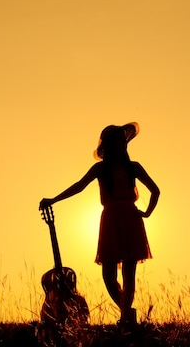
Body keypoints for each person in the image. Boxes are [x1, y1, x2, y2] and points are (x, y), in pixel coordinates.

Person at [39, 122, 160, 326]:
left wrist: (147, 213)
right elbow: (78, 187)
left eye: (122, 140)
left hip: (130, 218)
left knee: (129, 272)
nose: (121, 144)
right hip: (111, 219)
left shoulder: (134, 167)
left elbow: (156, 191)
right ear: (109, 145)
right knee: (108, 275)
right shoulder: (100, 169)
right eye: (117, 141)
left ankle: (126, 318)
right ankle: (126, 310)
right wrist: (53, 199)